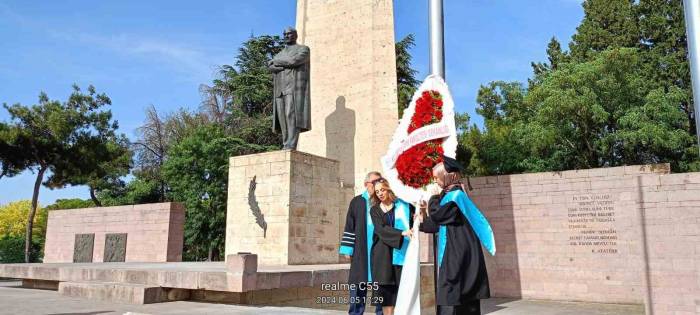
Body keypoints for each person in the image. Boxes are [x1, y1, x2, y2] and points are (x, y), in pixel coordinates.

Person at [417, 156, 495, 315]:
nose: (436, 183)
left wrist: (433, 197)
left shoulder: (456, 197)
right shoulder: (450, 196)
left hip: (458, 256)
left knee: (453, 298)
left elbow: (439, 215)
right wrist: (421, 219)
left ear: (448, 176)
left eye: (437, 178)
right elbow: (438, 224)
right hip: (456, 253)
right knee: (458, 300)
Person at [339, 171, 384, 315]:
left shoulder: (385, 201)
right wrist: (347, 249)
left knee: (382, 292)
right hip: (360, 251)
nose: (378, 184)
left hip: (380, 252)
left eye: (381, 181)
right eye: (375, 181)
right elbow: (349, 226)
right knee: (357, 289)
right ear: (366, 185)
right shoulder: (356, 201)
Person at [370, 179, 414, 315]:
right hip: (382, 257)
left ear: (389, 189)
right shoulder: (375, 210)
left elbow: (415, 222)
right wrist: (401, 233)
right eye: (377, 192)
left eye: (382, 190)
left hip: (400, 255)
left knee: (401, 293)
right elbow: (380, 229)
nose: (380, 194)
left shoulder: (403, 206)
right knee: (386, 297)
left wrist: (422, 210)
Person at [267, 26, 311, 150]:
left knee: (290, 114)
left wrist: (276, 62)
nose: (286, 36)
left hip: (293, 87)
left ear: (295, 35)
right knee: (282, 118)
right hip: (280, 88)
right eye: (285, 34)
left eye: (289, 34)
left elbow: (293, 61)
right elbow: (271, 67)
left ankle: (292, 143)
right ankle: (286, 143)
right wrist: (278, 64)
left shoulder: (303, 49)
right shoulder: (280, 54)